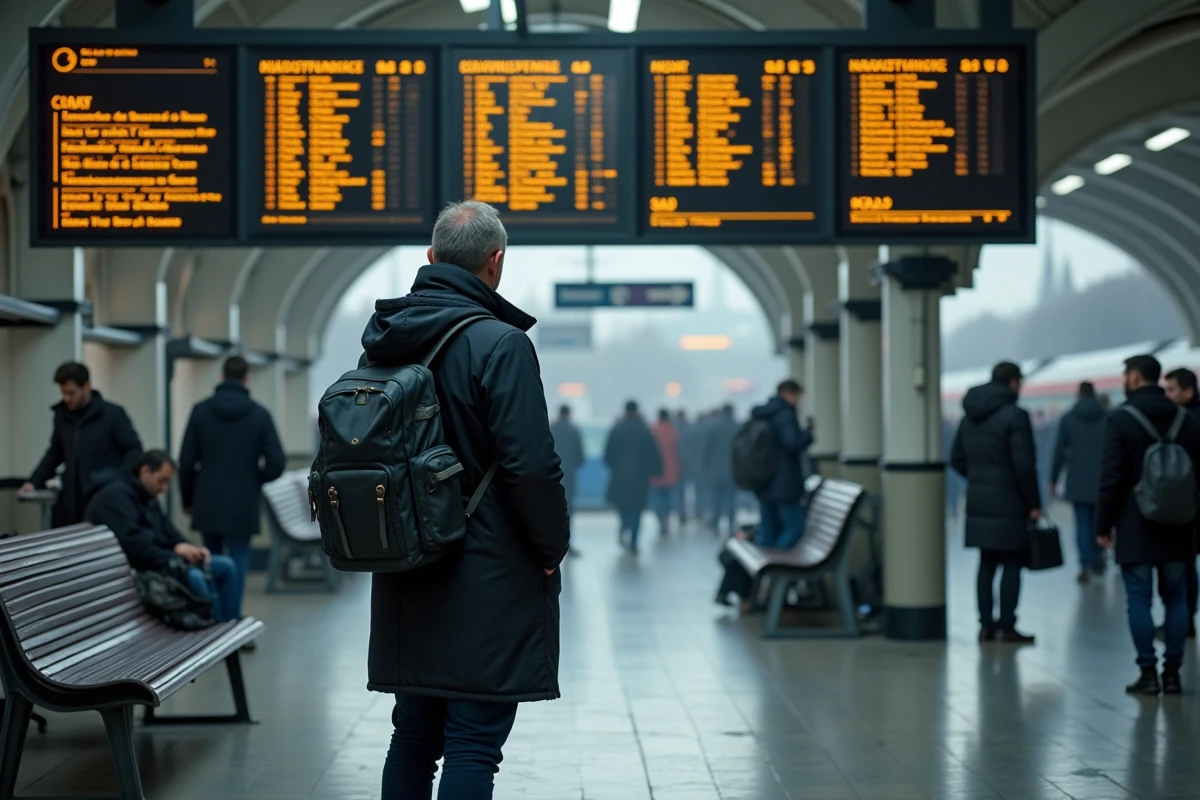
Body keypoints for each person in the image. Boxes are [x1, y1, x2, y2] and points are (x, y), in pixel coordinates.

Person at [358, 201, 570, 799]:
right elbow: (532, 465)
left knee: (413, 738)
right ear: (495, 262)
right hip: (486, 568)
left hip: (405, 563)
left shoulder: (384, 342)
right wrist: (550, 547)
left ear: (431, 259)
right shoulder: (500, 344)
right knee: (474, 741)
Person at [1097, 355, 1200, 695]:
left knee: (1138, 599)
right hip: (1179, 524)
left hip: (1135, 524)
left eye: (1126, 374)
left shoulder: (1120, 420)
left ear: (1136, 377)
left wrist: (1104, 524)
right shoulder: (1186, 419)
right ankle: (1173, 673)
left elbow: (1110, 478)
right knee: (1176, 598)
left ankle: (1148, 673)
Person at [178, 355, 285, 627]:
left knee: (210, 559)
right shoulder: (259, 414)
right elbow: (276, 462)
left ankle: (214, 616)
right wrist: (254, 479)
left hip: (207, 498)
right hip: (243, 499)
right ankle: (233, 619)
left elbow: (187, 460)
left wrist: (188, 498)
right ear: (246, 378)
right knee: (238, 558)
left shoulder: (200, 411)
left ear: (222, 377)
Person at [84, 450, 240, 622]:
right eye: (162, 481)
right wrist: (174, 553)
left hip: (161, 560)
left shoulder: (146, 495)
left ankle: (229, 626)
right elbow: (133, 546)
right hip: (140, 570)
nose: (164, 488)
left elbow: (168, 530)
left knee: (226, 566)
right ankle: (215, 630)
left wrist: (189, 548)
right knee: (195, 577)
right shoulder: (116, 497)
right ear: (145, 471)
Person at [951, 361, 1042, 645]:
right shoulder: (1016, 416)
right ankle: (1006, 626)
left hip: (980, 500)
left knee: (986, 563)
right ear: (1014, 383)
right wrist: (1034, 502)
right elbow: (1024, 465)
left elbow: (956, 459)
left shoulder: (969, 417)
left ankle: (985, 626)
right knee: (1012, 563)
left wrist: (978, 478)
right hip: (1011, 500)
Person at [20, 362, 142, 527]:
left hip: (104, 499)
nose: (66, 398)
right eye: (63, 393)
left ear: (86, 387)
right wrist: (34, 481)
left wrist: (116, 481)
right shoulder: (62, 417)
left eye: (71, 393)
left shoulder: (113, 415)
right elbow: (55, 453)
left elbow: (134, 452)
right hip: (70, 501)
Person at [1050, 381, 1108, 583]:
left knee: (1082, 524)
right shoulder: (1107, 417)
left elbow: (1059, 452)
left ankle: (1085, 564)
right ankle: (1099, 557)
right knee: (1100, 521)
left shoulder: (1068, 418)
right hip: (1103, 478)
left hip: (1077, 479)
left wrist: (1053, 479)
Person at [749, 380, 813, 548]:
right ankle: (777, 562)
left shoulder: (763, 413)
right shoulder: (785, 414)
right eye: (798, 396)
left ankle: (768, 566)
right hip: (785, 483)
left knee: (768, 529)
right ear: (789, 393)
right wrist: (807, 434)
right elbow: (792, 443)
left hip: (764, 480)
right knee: (794, 527)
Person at [1165, 367, 1200, 636]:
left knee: (1183, 565)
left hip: (1185, 504)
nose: (1167, 395)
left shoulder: (1183, 421)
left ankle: (1182, 620)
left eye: (1172, 390)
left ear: (1189, 391)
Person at [603, 401, 662, 554]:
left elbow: (607, 455)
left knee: (623, 507)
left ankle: (624, 528)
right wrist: (654, 471)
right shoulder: (644, 430)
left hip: (620, 478)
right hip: (640, 479)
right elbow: (653, 455)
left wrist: (615, 468)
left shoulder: (617, 429)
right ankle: (634, 541)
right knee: (637, 510)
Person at [550, 405, 585, 557]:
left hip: (551, 475)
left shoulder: (551, 428)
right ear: (569, 414)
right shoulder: (573, 430)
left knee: (550, 509)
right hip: (568, 476)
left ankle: (550, 545)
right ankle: (567, 545)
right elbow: (580, 456)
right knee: (568, 510)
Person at [703, 404, 740, 534]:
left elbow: (707, 450)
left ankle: (715, 525)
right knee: (731, 498)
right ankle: (731, 524)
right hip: (733, 470)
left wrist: (706, 466)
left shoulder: (713, 427)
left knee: (716, 499)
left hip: (716, 471)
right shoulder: (738, 427)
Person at [649, 409, 680, 535]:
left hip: (655, 470)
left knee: (656, 496)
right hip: (670, 469)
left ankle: (660, 517)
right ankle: (666, 517)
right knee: (667, 497)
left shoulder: (652, 430)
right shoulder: (673, 431)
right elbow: (679, 450)